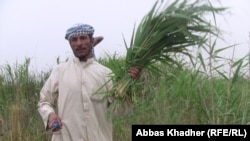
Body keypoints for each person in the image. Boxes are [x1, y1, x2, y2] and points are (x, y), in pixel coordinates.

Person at [37, 23, 141, 141]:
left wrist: (130, 86)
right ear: (70, 44)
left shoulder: (105, 74)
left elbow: (120, 110)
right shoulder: (60, 71)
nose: (79, 43)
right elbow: (44, 101)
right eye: (74, 40)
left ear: (91, 41)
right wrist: (50, 115)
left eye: (83, 38)